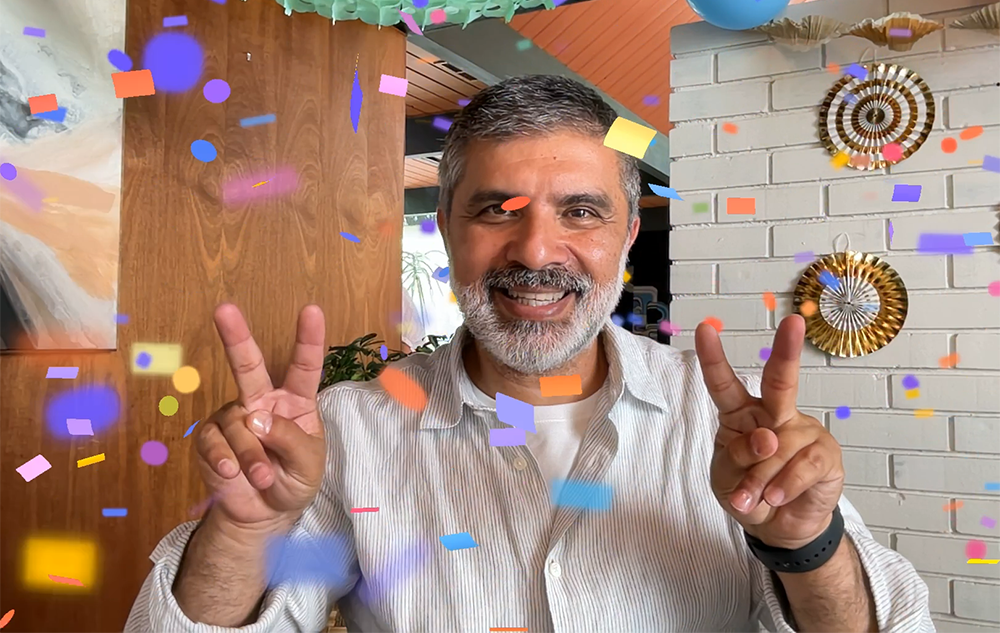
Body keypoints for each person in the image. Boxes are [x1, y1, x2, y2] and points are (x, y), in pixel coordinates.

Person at [125, 75, 932, 632]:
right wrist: (243, 531)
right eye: (495, 210)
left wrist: (805, 543)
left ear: (626, 232)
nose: (535, 248)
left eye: (580, 210)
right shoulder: (350, 430)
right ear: (446, 227)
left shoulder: (734, 428)